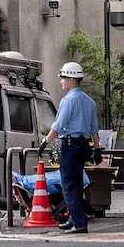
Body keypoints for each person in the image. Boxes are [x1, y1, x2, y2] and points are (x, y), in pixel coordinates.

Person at [38, 62, 101, 234]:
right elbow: (94, 129)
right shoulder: (90, 102)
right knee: (77, 185)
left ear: (72, 80)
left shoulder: (68, 100)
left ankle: (80, 224)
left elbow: (58, 126)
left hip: (70, 146)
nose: (61, 81)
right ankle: (73, 218)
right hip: (83, 147)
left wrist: (45, 142)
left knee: (69, 186)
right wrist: (96, 149)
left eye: (64, 78)